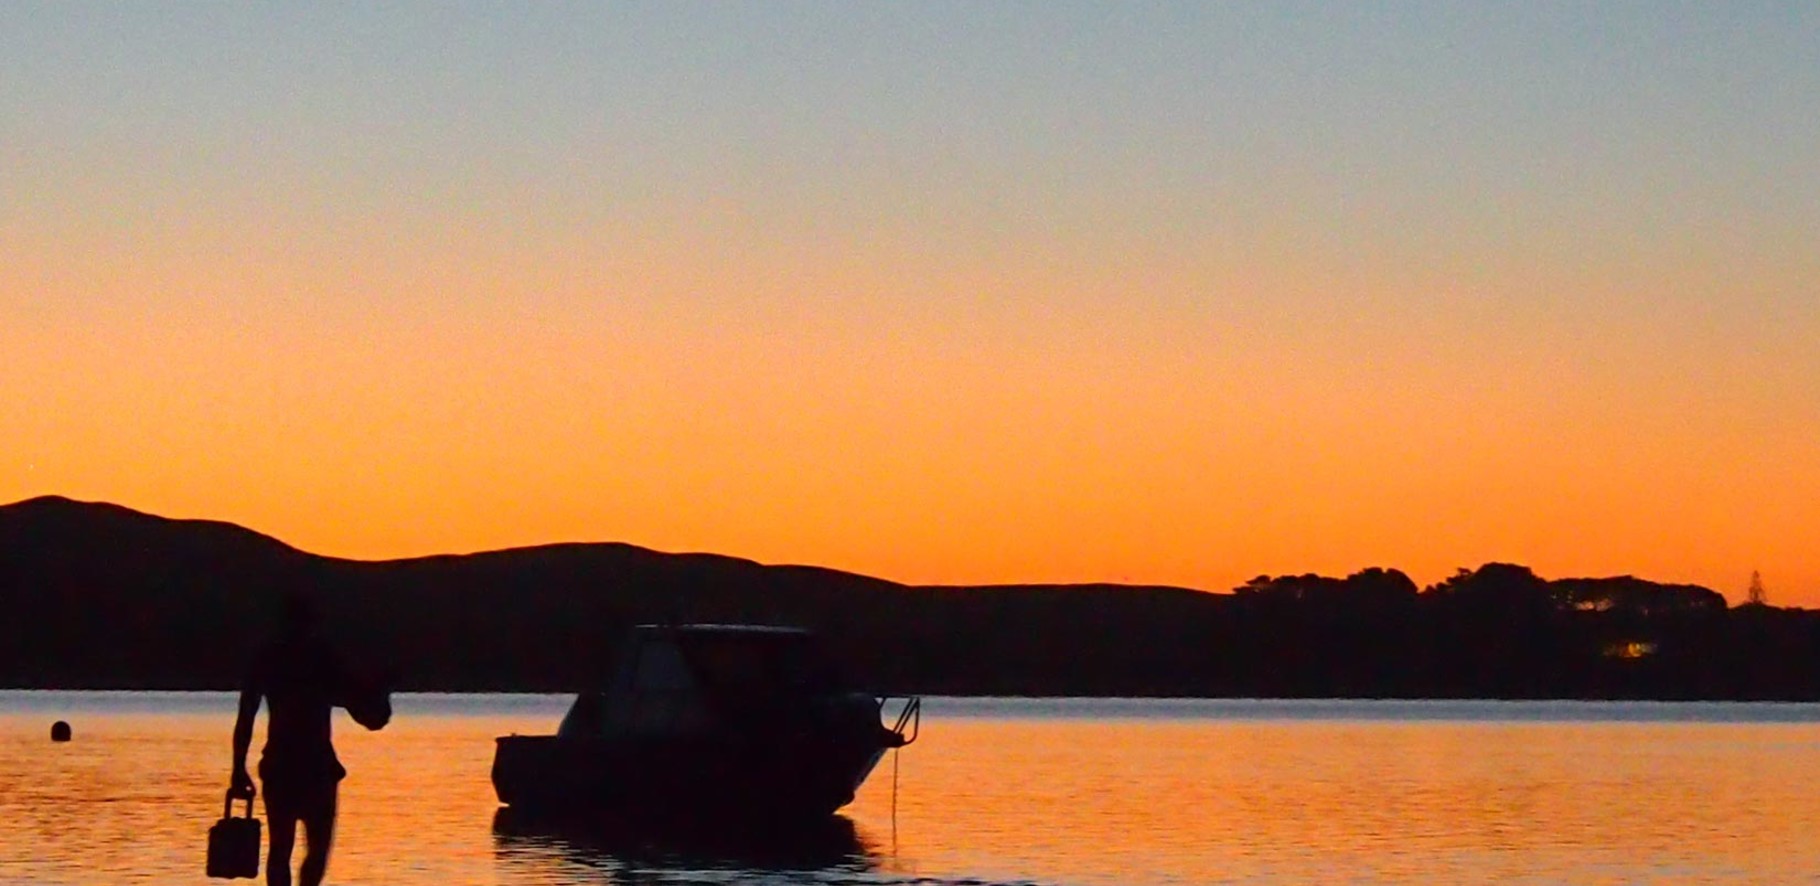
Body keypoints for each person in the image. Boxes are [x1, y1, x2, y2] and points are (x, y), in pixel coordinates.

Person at [230, 593, 388, 886]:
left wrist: (238, 767)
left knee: (284, 850)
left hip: (288, 768)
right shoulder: (319, 656)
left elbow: (246, 717)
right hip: (311, 770)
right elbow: (369, 715)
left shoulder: (273, 657)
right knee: (308, 851)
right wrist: (378, 692)